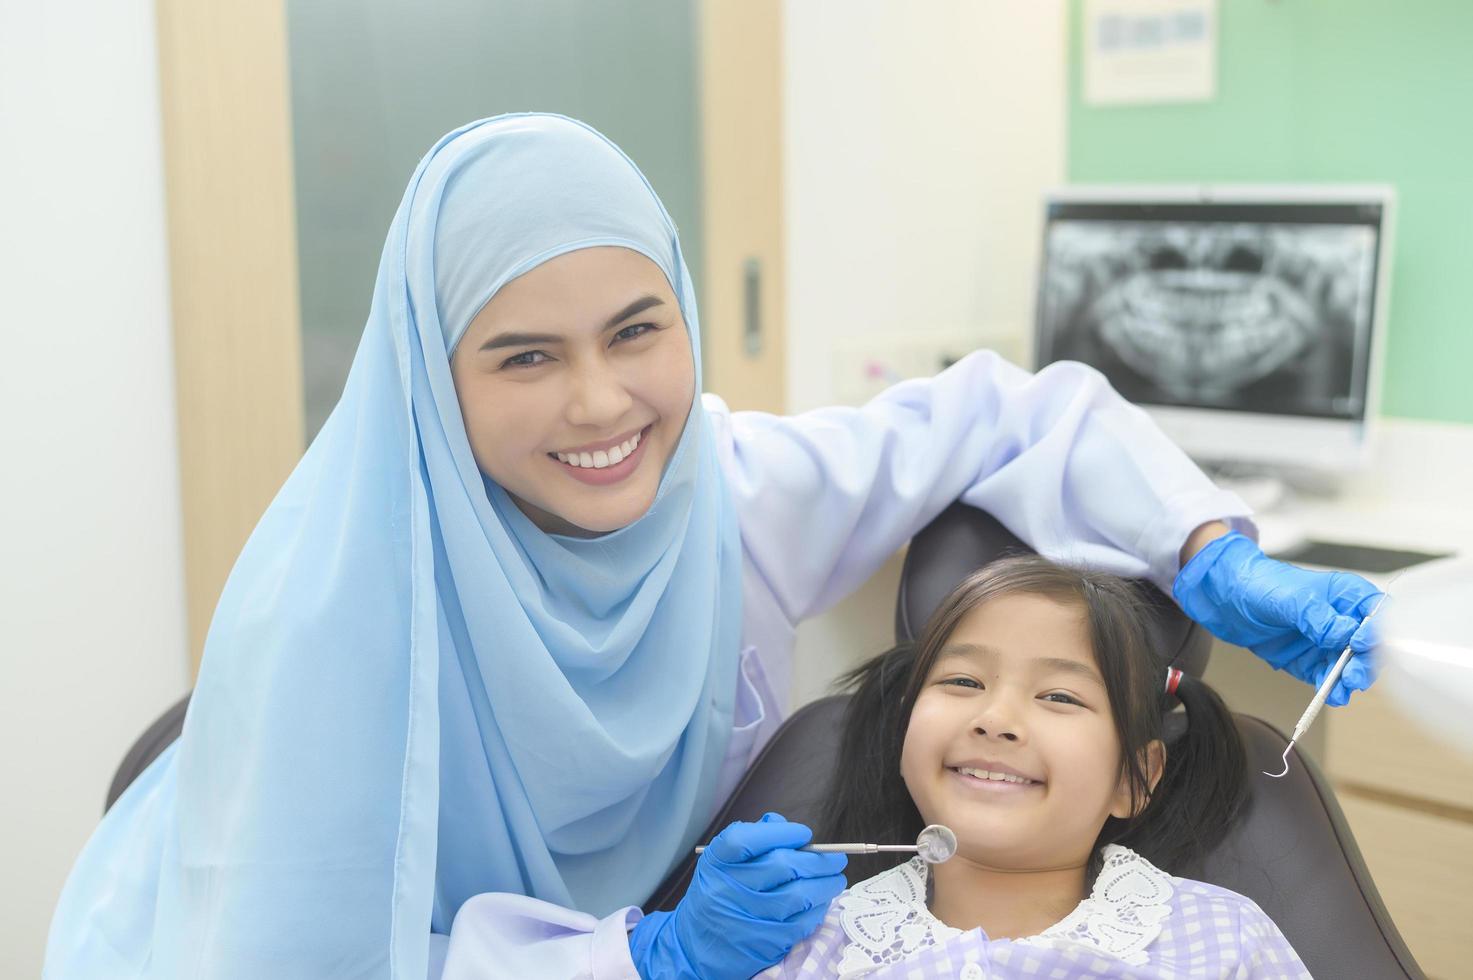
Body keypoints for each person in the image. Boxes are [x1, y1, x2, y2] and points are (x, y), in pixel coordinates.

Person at [43, 113, 1377, 980]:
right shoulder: (332, 621)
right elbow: (307, 958)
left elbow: (1001, 413)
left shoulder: (724, 495)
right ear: (428, 381)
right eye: (523, 357)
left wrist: (1205, 549)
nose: (603, 406)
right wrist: (637, 959)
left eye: (637, 330)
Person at [758, 555, 1309, 978]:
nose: (995, 719)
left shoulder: (1224, 941)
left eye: (1060, 697)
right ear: (905, 732)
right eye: (963, 682)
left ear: (1131, 778)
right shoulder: (820, 947)